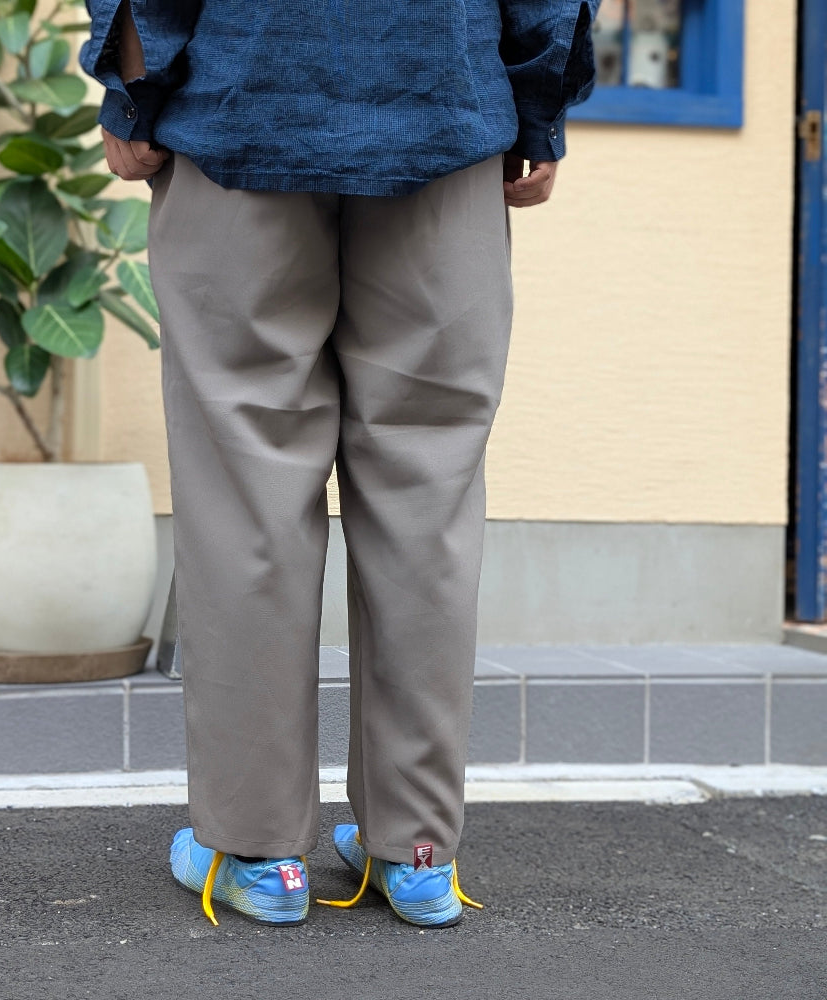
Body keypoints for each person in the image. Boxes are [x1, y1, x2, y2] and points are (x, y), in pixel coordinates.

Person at [81, 0, 598, 929]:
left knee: (247, 489)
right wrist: (538, 109)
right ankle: (418, 850)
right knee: (428, 494)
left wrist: (131, 94)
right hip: (445, 116)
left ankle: (257, 850)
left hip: (242, 114)